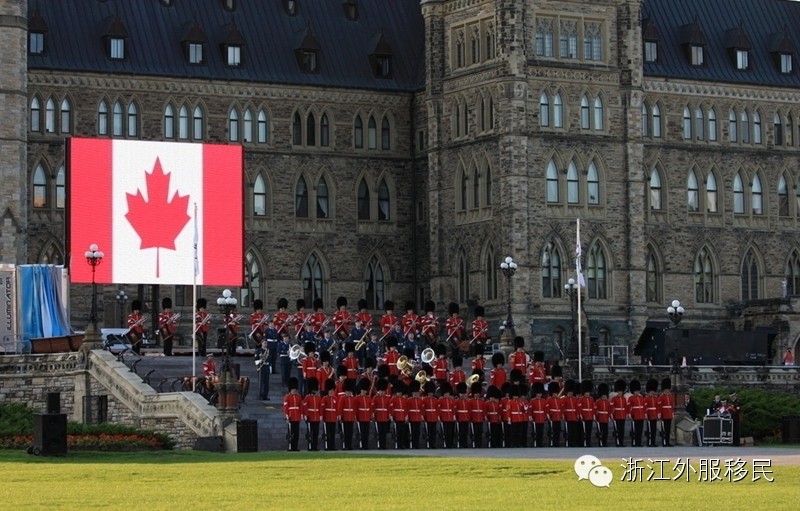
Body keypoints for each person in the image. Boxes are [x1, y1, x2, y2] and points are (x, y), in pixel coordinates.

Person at [302, 378, 322, 451]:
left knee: (316, 433)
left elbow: (320, 407)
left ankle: (315, 446)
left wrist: (320, 415)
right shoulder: (307, 397)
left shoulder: (318, 397)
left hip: (316, 417)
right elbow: (305, 407)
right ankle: (310, 446)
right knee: (310, 433)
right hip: (310, 417)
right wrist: (305, 415)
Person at [283, 377, 302, 451]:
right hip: (290, 417)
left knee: (296, 433)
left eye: (295, 389)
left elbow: (300, 406)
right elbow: (285, 408)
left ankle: (295, 447)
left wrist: (301, 415)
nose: (294, 390)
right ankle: (290, 447)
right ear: (290, 389)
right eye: (293, 389)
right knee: (291, 433)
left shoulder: (298, 396)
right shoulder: (287, 397)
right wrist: (287, 417)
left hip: (296, 416)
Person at [658, 378, 675, 446]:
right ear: (664, 389)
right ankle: (664, 442)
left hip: (669, 414)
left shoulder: (670, 397)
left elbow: (672, 405)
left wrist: (672, 413)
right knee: (664, 429)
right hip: (664, 414)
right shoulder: (661, 397)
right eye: (666, 389)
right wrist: (660, 413)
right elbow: (659, 406)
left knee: (668, 429)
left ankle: (667, 442)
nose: (667, 390)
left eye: (668, 389)